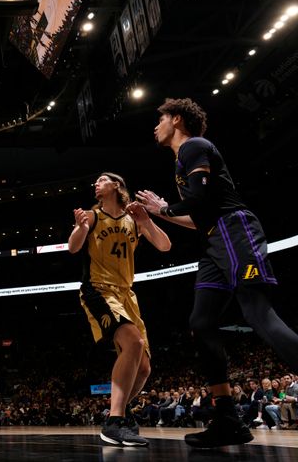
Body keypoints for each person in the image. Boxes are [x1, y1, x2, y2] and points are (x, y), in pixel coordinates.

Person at [136, 97, 298, 448]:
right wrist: (156, 216)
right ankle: (227, 418)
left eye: (159, 119)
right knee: (201, 321)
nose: (155, 126)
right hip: (213, 241)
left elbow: (201, 198)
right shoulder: (183, 159)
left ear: (176, 120)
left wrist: (162, 206)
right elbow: (197, 217)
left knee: (257, 312)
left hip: (235, 231)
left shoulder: (194, 146)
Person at [68, 172, 171, 447]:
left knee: (145, 368)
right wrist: (80, 228)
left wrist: (146, 220)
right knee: (133, 342)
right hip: (98, 289)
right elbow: (72, 248)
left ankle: (121, 414)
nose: (95, 184)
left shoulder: (132, 218)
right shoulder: (91, 216)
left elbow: (164, 245)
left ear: (116, 185)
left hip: (126, 295)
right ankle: (114, 422)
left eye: (102, 180)